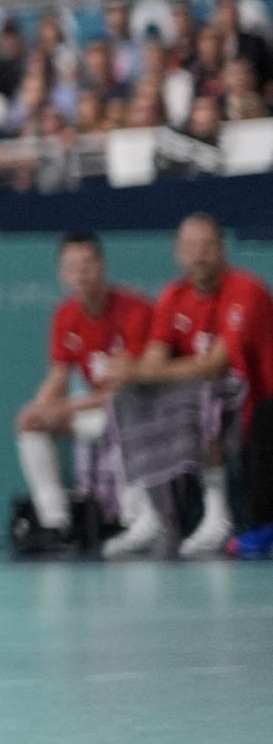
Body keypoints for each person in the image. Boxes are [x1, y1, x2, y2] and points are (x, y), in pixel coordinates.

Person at [102, 212, 270, 558]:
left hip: (257, 400)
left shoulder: (246, 289)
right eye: (191, 247)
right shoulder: (173, 295)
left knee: (204, 395)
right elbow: (154, 357)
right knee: (129, 397)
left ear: (223, 249)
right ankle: (152, 514)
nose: (199, 255)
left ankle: (218, 515)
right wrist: (135, 374)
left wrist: (139, 370)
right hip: (199, 393)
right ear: (178, 253)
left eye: (208, 245)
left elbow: (215, 365)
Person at [12, 232, 151, 552]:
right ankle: (55, 524)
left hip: (139, 412)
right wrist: (40, 407)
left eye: (88, 264)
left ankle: (132, 519)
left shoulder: (135, 309)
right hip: (96, 411)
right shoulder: (66, 315)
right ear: (62, 273)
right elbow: (59, 374)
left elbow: (125, 388)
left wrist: (65, 409)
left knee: (120, 412)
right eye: (72, 267)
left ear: (103, 266)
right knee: (30, 424)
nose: (81, 273)